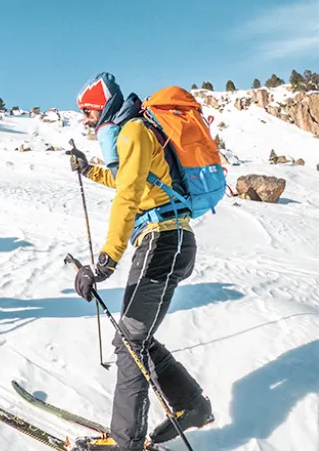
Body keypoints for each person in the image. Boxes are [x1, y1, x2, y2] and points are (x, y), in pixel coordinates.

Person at [68, 73, 214, 451]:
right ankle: (192, 406)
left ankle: (126, 442)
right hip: (171, 241)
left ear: (102, 109)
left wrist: (105, 261)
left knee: (130, 342)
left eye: (87, 111)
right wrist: (88, 171)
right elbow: (130, 181)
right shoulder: (136, 132)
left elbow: (128, 197)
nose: (84, 119)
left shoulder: (133, 131)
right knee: (135, 338)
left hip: (162, 242)